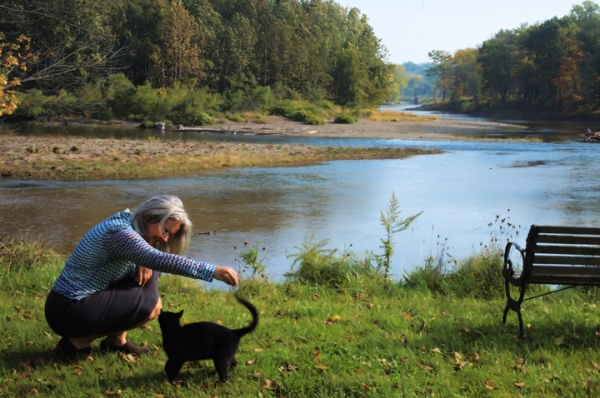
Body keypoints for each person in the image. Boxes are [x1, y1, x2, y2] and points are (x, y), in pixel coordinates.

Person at [44, 195, 238, 360]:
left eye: (169, 235)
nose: (165, 239)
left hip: (78, 302)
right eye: (165, 231)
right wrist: (212, 271)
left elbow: (148, 256)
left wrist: (141, 260)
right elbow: (158, 258)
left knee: (150, 276)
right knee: (151, 306)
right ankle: (75, 343)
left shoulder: (130, 221)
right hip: (67, 308)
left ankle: (116, 340)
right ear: (151, 216)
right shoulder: (119, 233)